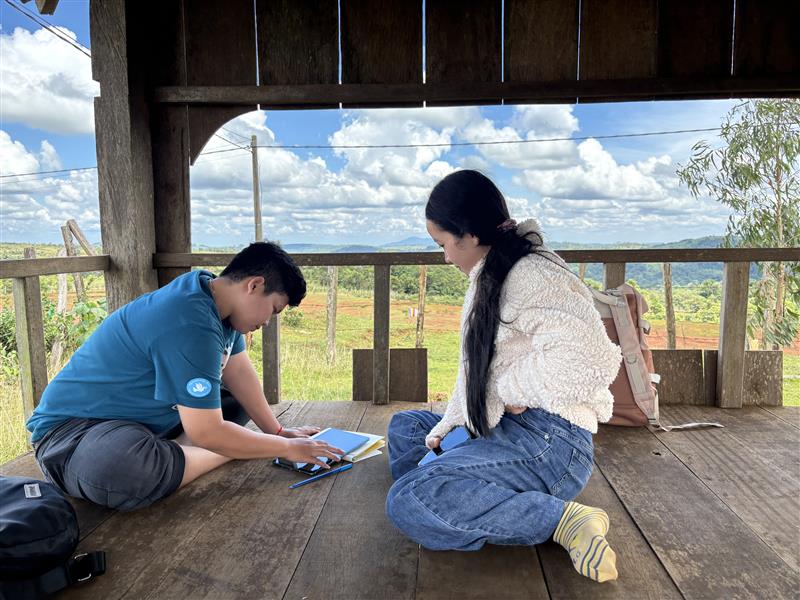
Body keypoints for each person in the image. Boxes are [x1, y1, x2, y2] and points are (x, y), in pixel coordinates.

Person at [385, 170, 622, 583]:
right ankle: (459, 490)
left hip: (551, 443)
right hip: (510, 424)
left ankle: (561, 519)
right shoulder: (495, 269)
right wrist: (455, 422)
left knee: (408, 499)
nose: (444, 257)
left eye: (443, 244)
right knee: (406, 427)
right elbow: (483, 371)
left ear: (470, 235)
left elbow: (590, 359)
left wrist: (509, 387)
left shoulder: (530, 275)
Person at [26, 242, 343, 511]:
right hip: (73, 435)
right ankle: (216, 450)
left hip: (146, 421)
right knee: (120, 469)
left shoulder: (211, 295)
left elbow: (239, 371)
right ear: (254, 285)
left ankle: (186, 450)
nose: (268, 322)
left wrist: (276, 430)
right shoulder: (189, 319)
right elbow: (207, 430)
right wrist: (281, 448)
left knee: (234, 398)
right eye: (274, 310)